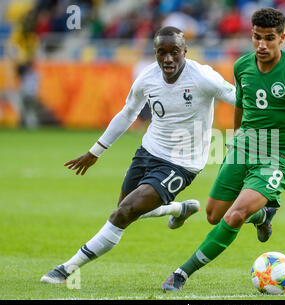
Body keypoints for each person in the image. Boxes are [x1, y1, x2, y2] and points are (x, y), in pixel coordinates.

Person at [161, 7, 285, 291]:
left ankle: (181, 273)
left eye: (269, 38)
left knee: (234, 216)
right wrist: (235, 138)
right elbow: (241, 102)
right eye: (256, 37)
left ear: (282, 38)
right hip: (243, 148)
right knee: (213, 215)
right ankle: (264, 215)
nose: (262, 45)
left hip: (278, 155)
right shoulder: (242, 66)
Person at [40, 26, 236, 284]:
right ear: (154, 53)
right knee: (125, 210)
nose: (168, 59)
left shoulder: (203, 77)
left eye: (174, 52)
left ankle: (67, 268)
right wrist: (95, 152)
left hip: (182, 164)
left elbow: (239, 98)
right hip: (148, 152)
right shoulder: (147, 78)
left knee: (123, 214)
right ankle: (179, 208)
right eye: (161, 52)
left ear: (185, 52)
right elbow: (127, 113)